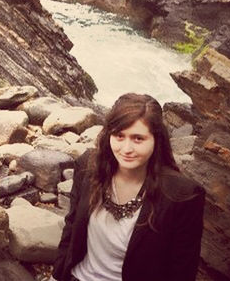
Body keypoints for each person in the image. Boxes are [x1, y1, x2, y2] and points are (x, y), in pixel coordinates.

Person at [53, 93, 205, 281]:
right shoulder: (88, 166)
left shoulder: (183, 195)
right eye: (119, 136)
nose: (126, 149)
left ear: (156, 140)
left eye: (138, 139)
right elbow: (72, 223)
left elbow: (182, 269)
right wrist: (58, 273)